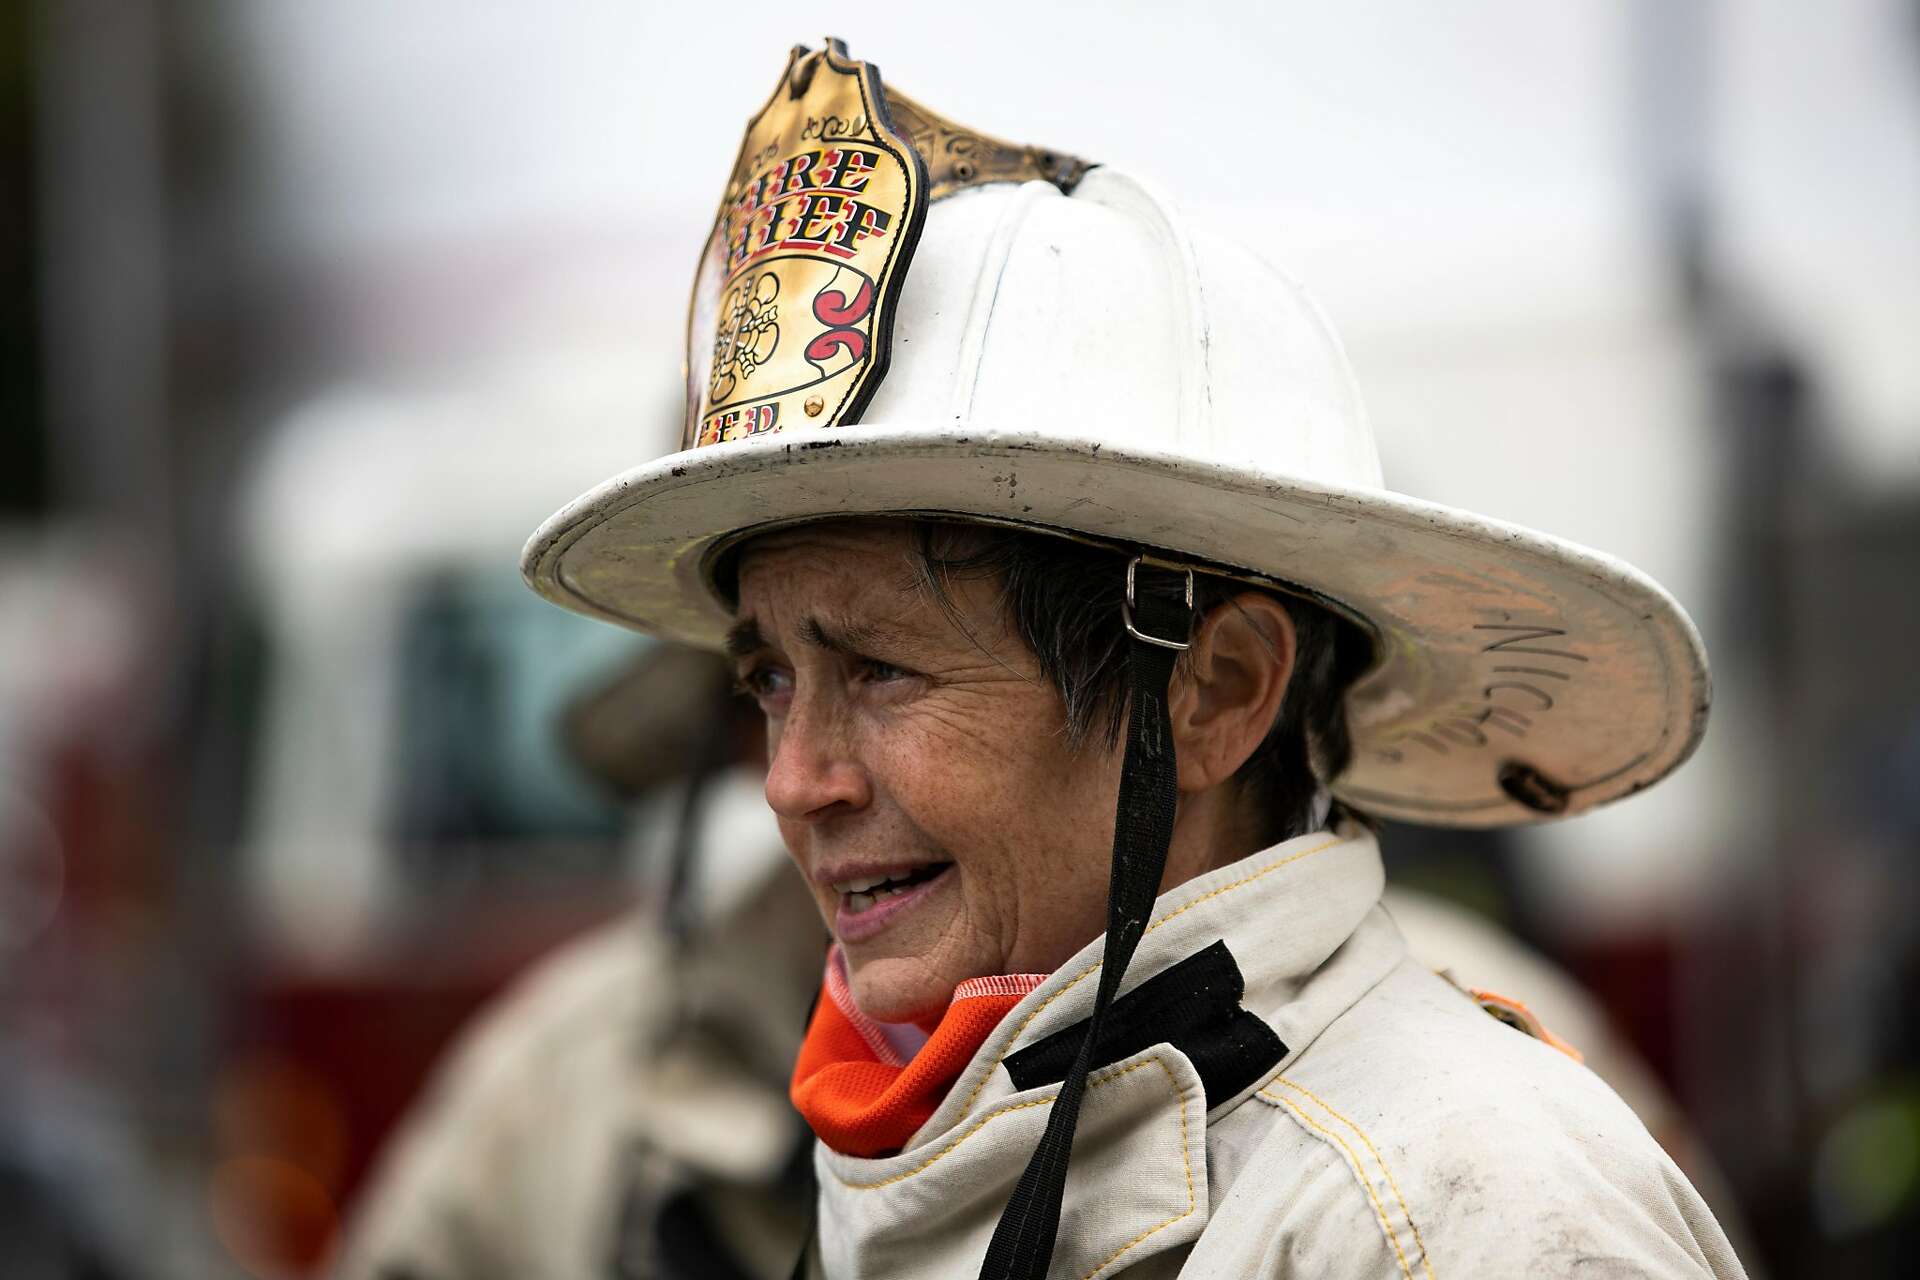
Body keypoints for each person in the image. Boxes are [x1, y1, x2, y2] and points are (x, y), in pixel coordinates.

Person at [520, 40, 1745, 1279]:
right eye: (771, 679)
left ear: (1215, 691)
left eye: (883, 668)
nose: (792, 781)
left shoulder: (1459, 1217)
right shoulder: (942, 1145)